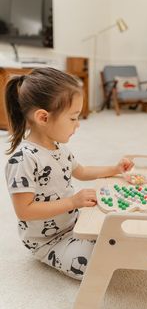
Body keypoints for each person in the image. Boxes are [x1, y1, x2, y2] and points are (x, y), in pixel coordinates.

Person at [4, 67, 134, 280]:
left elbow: (81, 171)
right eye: (73, 118)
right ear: (43, 118)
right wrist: (73, 201)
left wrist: (114, 169)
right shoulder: (24, 159)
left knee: (118, 230)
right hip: (48, 240)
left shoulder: (58, 147)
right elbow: (24, 211)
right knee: (99, 266)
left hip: (74, 223)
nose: (78, 124)